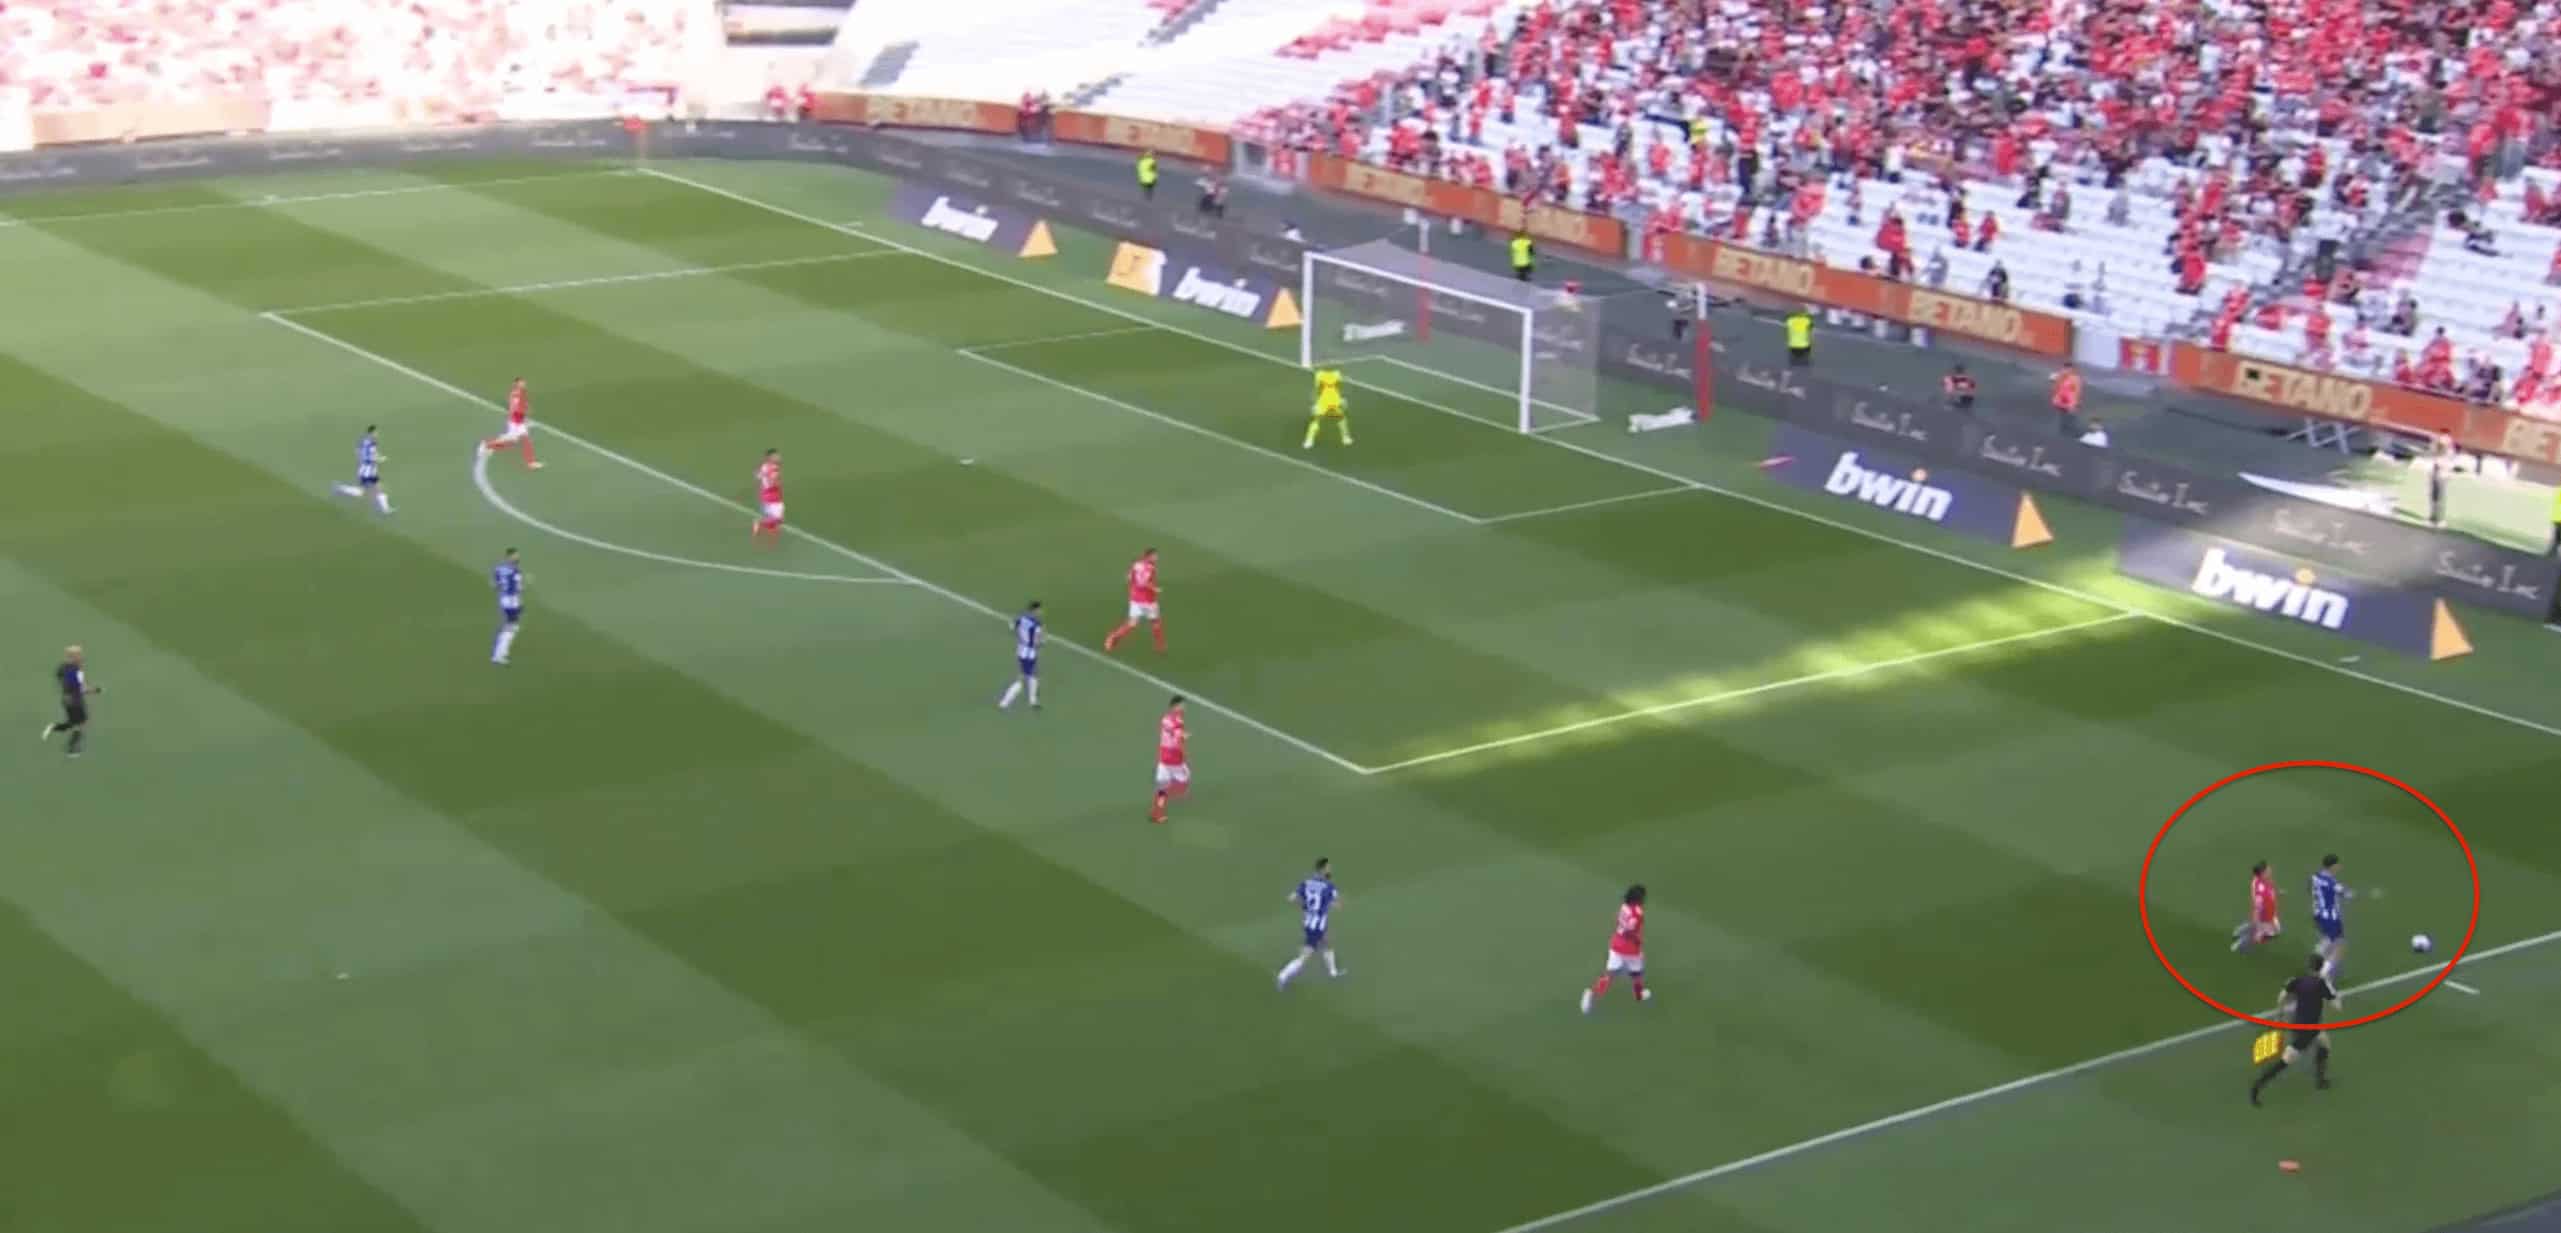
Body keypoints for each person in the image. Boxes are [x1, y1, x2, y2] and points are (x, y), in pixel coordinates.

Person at [2249, 953, 2338, 1105]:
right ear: (2321, 967)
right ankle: (2256, 1087)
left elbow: (2281, 997)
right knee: (2286, 1060)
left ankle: (2320, 1080)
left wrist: (2279, 1014)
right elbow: (2337, 1006)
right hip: (2308, 1030)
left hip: (2300, 1024)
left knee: (2324, 1043)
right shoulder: (2321, 984)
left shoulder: (2297, 981)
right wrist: (2331, 989)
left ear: (2309, 966)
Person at [1580, 884, 1651, 1013]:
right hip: (1630, 950)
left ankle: (1591, 993)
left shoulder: (1624, 907)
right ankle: (1639, 995)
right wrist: (1637, 940)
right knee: (1637, 974)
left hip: (1616, 945)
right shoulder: (1637, 913)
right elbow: (1630, 931)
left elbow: (1620, 923)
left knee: (1609, 975)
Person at [1276, 858, 1344, 988]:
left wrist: (1305, 906)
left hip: (1309, 922)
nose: (1330, 870)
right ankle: (1283, 976)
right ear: (1322, 869)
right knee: (1304, 956)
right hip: (1317, 927)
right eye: (1328, 868)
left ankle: (1333, 972)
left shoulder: (1306, 883)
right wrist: (1330, 904)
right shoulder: (1329, 887)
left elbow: (1291, 898)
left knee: (1326, 943)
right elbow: (1338, 904)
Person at [39, 645, 98, 758]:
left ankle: (53, 727)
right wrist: (96, 690)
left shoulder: (63, 667)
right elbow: (82, 689)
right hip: (75, 701)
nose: (81, 657)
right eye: (79, 655)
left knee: (72, 723)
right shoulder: (76, 671)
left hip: (66, 700)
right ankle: (72, 749)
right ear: (74, 657)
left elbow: (59, 676)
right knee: (81, 724)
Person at [1103, 548, 1164, 653]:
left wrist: (1133, 589)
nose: (1157, 558)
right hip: (1148, 600)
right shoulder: (1150, 568)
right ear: (1148, 556)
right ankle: (1160, 646)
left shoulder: (1136, 564)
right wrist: (1155, 588)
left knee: (1132, 624)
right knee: (1155, 622)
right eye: (1155, 556)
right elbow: (1143, 582)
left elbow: (1128, 577)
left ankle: (1112, 638)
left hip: (1135, 599)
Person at [481, 377, 542, 469]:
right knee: (511, 441)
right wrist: (525, 411)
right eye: (521, 383)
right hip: (515, 422)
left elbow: (520, 405)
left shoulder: (520, 393)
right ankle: (486, 445)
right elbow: (516, 409)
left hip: (519, 422)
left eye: (523, 383)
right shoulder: (516, 394)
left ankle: (531, 462)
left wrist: (525, 410)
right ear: (516, 384)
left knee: (525, 440)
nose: (524, 384)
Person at [332, 425, 394, 515]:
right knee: (363, 492)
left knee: (376, 489)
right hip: (368, 472)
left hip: (367, 470)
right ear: (371, 433)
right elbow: (371, 457)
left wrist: (366, 459)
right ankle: (339, 488)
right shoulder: (371, 443)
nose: (377, 434)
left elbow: (358, 451)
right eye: (376, 432)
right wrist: (380, 459)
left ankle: (386, 510)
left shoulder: (363, 441)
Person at [2310, 854, 2352, 978]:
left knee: (2328, 939)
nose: (2339, 867)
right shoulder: (2332, 883)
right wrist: (2350, 894)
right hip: (2330, 918)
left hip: (2318, 914)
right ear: (2332, 866)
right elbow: (2345, 894)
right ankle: (2323, 972)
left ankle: (2317, 954)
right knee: (2340, 945)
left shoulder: (2315, 877)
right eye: (2337, 864)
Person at [998, 601, 1042, 711]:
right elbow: (1037, 642)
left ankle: (1033, 700)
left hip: (1021, 650)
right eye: (1039, 610)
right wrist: (1042, 642)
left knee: (1034, 673)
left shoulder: (1021, 618)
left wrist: (1020, 636)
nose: (1040, 612)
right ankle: (1004, 702)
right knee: (1022, 678)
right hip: (1029, 653)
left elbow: (1011, 626)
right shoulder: (1036, 624)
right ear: (1035, 610)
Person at [1150, 694, 1188, 824]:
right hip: (1174, 761)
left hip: (1163, 760)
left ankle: (1157, 813)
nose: (1184, 707)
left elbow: (1170, 733)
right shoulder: (1178, 722)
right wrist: (1184, 737)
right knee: (1182, 786)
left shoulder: (1165, 719)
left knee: (1162, 789)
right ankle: (1164, 796)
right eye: (1182, 705)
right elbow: (1178, 739)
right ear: (1175, 706)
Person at [2231, 860, 2281, 951]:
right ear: (2263, 873)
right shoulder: (2260, 891)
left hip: (2270, 914)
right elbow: (2257, 910)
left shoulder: (2264, 880)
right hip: (2264, 917)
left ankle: (2239, 931)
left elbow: (2270, 891)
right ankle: (2240, 944)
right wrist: (2259, 930)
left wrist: (2276, 893)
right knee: (2261, 934)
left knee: (2271, 931)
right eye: (2268, 869)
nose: (2270, 870)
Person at [490, 548, 526, 666]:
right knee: (511, 627)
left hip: (504, 600)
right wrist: (520, 601)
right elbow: (519, 589)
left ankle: (502, 651)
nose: (517, 558)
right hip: (512, 601)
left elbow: (495, 586)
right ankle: (498, 655)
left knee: (511, 626)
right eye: (515, 556)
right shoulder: (516, 571)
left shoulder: (498, 569)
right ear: (509, 557)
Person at [1304, 367, 1352, 448]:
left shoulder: (1335, 374)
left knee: (1341, 418)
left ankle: (1345, 437)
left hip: (1335, 400)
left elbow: (1339, 387)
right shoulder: (1320, 375)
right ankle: (1309, 440)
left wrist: (1341, 398)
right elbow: (1316, 390)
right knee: (1316, 419)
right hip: (1323, 401)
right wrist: (1315, 403)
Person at [751, 448, 784, 541]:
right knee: (777, 520)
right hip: (770, 495)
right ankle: (759, 523)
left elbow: (758, 476)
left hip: (772, 494)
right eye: (776, 456)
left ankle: (766, 528)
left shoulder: (766, 466)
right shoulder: (772, 468)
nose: (779, 457)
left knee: (777, 520)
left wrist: (760, 475)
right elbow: (772, 482)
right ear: (770, 457)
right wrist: (775, 481)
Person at [2051, 363, 2084, 436]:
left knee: (2070, 417)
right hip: (2061, 400)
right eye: (2065, 369)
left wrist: (2076, 402)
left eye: (2068, 369)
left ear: (2071, 370)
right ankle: (2062, 430)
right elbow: (2056, 387)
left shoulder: (2075, 379)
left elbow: (2077, 391)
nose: (2065, 371)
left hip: (2070, 401)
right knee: (2062, 415)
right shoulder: (2060, 376)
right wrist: (2055, 398)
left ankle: (2073, 432)